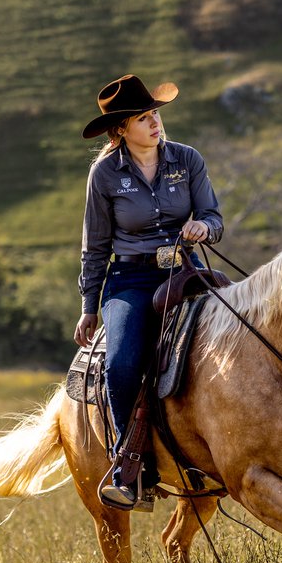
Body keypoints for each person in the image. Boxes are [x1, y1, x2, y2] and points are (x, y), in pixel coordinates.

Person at [74, 74, 224, 509]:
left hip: (186, 270)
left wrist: (204, 227)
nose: (155, 123)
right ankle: (131, 465)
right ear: (122, 129)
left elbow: (214, 217)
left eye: (155, 113)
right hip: (132, 281)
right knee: (120, 366)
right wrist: (89, 307)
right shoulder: (103, 176)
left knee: (251, 326)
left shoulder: (187, 159)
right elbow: (96, 247)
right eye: (143, 117)